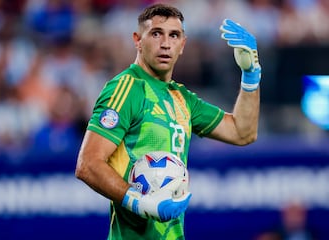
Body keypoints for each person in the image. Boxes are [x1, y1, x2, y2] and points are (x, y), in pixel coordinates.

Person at [75, 3, 261, 239]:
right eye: (156, 34)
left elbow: (242, 132)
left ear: (182, 45)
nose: (165, 43)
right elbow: (88, 164)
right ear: (137, 40)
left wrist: (251, 74)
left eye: (174, 35)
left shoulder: (182, 98)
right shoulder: (127, 88)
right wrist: (140, 203)